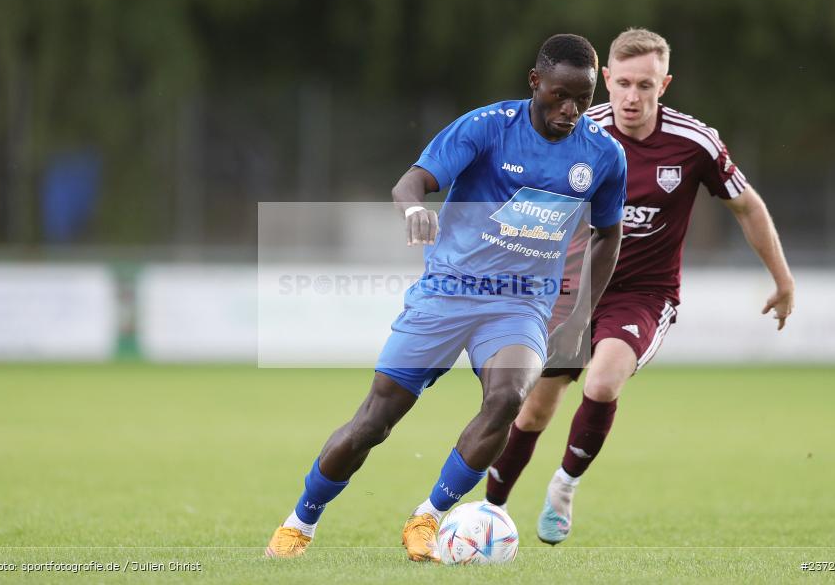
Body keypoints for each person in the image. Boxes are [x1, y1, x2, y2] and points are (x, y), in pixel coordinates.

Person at [267, 34, 628, 561]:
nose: (570, 110)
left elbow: (609, 234)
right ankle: (300, 521)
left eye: (582, 98)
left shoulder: (603, 154)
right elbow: (410, 184)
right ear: (535, 82)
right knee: (373, 422)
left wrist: (578, 317)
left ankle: (428, 518)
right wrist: (415, 211)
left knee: (508, 397)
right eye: (560, 95)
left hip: (519, 303)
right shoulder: (486, 127)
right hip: (449, 292)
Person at [484, 28, 796, 545]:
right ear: (606, 79)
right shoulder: (579, 132)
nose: (632, 97)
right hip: (574, 290)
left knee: (603, 382)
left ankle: (564, 486)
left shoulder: (695, 142)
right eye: (624, 83)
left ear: (664, 84)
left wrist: (783, 280)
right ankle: (489, 511)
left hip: (643, 295)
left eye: (645, 85)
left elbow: (747, 206)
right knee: (533, 407)